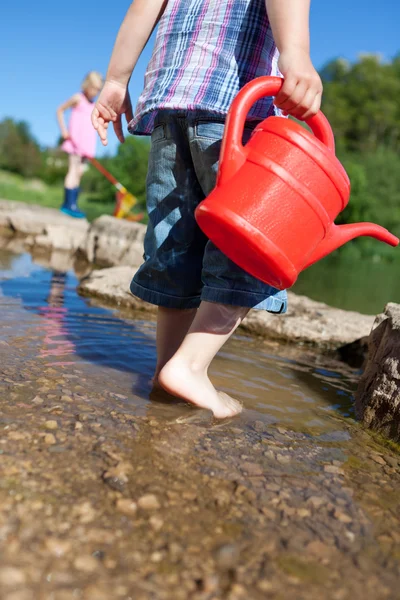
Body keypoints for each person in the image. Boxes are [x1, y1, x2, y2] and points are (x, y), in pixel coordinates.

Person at [92, 0, 323, 418]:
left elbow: (142, 8)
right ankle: (191, 367)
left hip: (168, 110)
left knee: (175, 244)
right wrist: (295, 52)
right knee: (249, 246)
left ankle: (166, 369)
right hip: (237, 107)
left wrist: (115, 80)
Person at [57, 71, 103, 218]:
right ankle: (68, 204)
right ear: (87, 85)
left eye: (98, 89)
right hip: (75, 143)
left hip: (86, 146)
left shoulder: (94, 104)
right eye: (94, 88)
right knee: (73, 170)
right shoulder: (78, 98)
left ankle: (73, 203)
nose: (96, 91)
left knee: (80, 172)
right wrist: (64, 131)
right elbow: (60, 110)